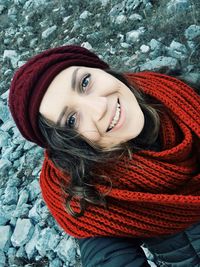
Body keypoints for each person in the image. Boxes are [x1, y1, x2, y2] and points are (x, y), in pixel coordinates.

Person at [8, 45, 200, 267]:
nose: (100, 108)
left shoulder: (179, 92)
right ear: (67, 143)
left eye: (85, 83)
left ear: (101, 70)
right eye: (71, 120)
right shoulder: (88, 193)